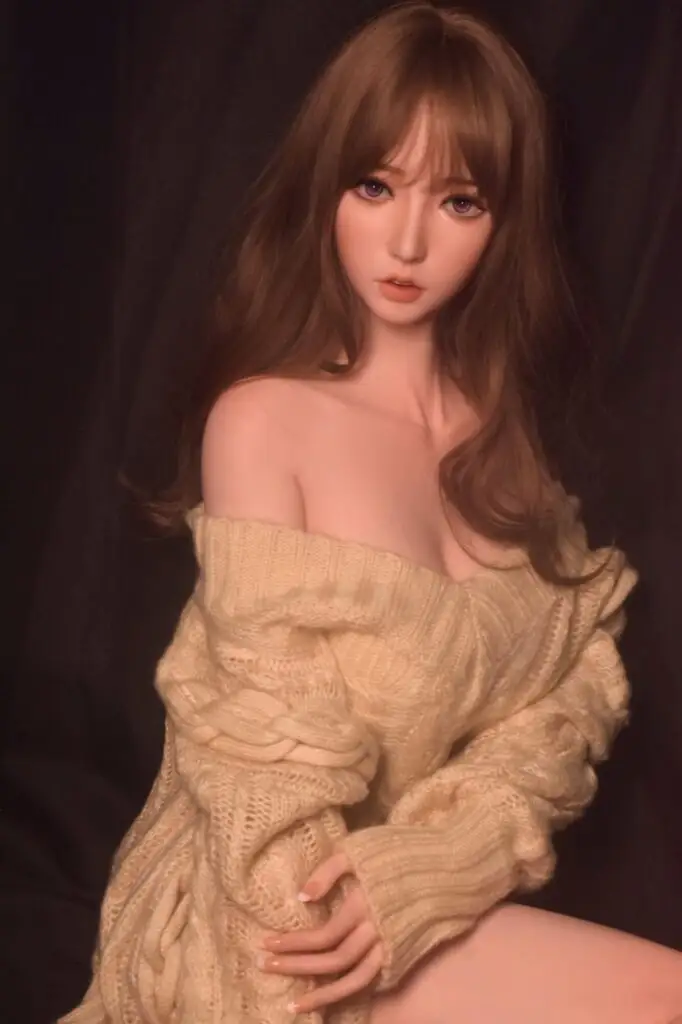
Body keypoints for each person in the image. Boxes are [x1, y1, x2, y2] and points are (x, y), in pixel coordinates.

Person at [60, 3, 682, 1022]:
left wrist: (445, 861)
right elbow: (257, 770)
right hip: (269, 920)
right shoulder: (262, 423)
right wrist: (356, 910)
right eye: (374, 186)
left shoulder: (505, 446)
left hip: (408, 904)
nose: (406, 240)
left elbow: (570, 694)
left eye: (459, 201)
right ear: (327, 190)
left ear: (504, 223)